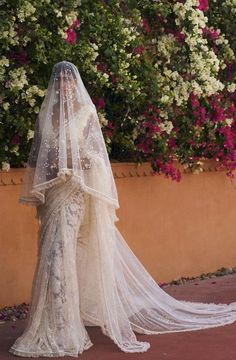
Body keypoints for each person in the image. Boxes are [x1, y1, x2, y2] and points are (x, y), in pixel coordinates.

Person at [9, 61, 236, 357]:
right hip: (53, 194)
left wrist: (70, 163)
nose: (63, 85)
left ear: (73, 84)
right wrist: (56, 164)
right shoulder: (45, 117)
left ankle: (66, 329)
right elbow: (39, 158)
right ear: (54, 84)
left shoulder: (84, 114)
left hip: (75, 192)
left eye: (67, 80)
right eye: (59, 80)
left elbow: (95, 157)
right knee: (50, 254)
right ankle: (51, 323)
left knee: (61, 253)